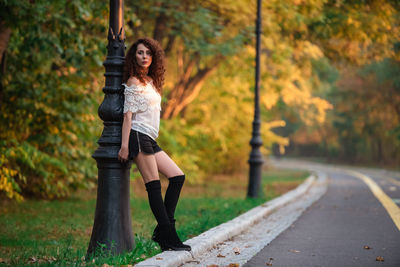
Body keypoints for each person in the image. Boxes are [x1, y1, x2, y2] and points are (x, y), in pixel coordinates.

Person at [117, 37, 191, 252]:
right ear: (134, 56)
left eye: (148, 53)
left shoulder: (150, 81)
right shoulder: (133, 81)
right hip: (138, 137)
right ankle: (169, 238)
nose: (144, 57)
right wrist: (124, 146)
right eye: (140, 53)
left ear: (154, 57)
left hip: (150, 138)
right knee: (154, 187)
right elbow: (128, 116)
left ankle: (162, 231)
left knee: (177, 176)